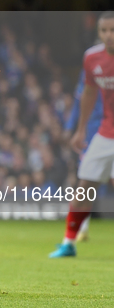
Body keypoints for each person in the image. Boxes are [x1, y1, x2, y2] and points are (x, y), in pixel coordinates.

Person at [49, 11, 114, 258]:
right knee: (84, 187)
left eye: (113, 30)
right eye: (104, 30)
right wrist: (80, 130)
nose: (109, 35)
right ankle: (69, 243)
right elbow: (88, 93)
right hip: (105, 133)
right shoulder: (92, 58)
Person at [62, 69, 104, 242]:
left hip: (107, 128)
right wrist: (71, 127)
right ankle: (82, 227)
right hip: (92, 130)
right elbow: (81, 99)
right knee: (87, 182)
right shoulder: (91, 66)